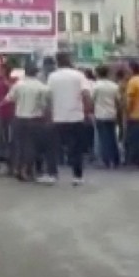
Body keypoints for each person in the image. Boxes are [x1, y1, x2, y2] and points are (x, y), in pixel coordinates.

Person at [46, 53, 92, 185]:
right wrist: (87, 112)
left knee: (54, 147)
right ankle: (77, 176)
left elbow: (48, 98)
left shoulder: (52, 77)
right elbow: (86, 95)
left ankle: (53, 175)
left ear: (57, 62)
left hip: (57, 117)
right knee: (76, 148)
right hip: (76, 117)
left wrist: (48, 115)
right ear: (69, 60)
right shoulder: (78, 75)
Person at [4, 65, 50, 182]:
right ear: (36, 73)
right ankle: (27, 170)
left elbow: (9, 99)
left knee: (18, 144)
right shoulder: (42, 87)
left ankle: (17, 168)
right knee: (32, 146)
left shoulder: (18, 85)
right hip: (35, 119)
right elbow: (44, 105)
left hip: (19, 118)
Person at [92, 66, 121, 169]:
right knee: (112, 137)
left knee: (103, 138)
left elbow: (92, 100)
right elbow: (118, 101)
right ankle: (116, 159)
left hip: (100, 114)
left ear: (97, 73)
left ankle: (106, 160)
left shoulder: (96, 86)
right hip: (112, 114)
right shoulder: (114, 86)